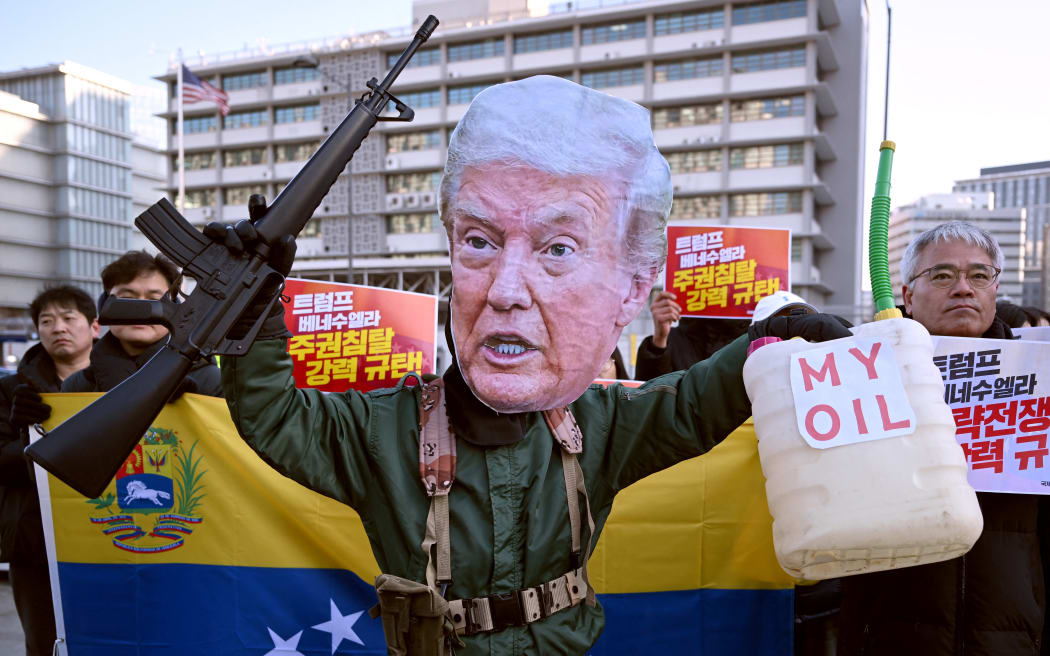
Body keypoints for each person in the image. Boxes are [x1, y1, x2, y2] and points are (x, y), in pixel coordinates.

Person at [208, 75, 852, 654]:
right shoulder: (383, 430)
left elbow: (692, 404)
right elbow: (275, 417)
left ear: (631, 289)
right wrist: (254, 309)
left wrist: (772, 336)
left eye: (558, 249)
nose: (505, 289)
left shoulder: (598, 425)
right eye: (479, 241)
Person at [838, 221, 1048, 655]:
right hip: (891, 633)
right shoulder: (861, 374)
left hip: (1013, 636)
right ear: (908, 295)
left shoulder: (1039, 380)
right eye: (942, 275)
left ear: (995, 290)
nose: (963, 288)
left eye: (979, 275)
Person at [0, 285, 99, 656]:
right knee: (43, 642)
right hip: (35, 541)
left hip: (108, 533)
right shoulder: (12, 391)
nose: (58, 327)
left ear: (94, 326)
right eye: (47, 321)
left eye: (69, 318)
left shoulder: (123, 384)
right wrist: (29, 440)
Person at [61, 251, 221, 396]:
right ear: (105, 307)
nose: (141, 309)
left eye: (154, 300)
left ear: (175, 309)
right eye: (127, 298)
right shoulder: (76, 386)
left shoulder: (211, 382)